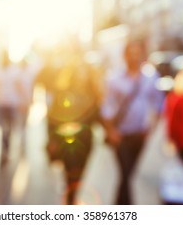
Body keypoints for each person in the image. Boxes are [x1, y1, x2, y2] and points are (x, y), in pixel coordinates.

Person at [101, 38, 163, 205]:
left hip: (140, 134)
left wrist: (152, 127)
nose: (134, 57)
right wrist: (110, 131)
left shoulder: (150, 77)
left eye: (137, 53)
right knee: (126, 174)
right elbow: (106, 106)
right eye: (131, 53)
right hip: (120, 134)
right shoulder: (114, 78)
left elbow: (158, 103)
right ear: (125, 56)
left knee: (128, 175)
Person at [38, 42, 102, 204]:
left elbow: (97, 108)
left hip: (85, 137)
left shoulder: (90, 89)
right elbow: (53, 114)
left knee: (80, 170)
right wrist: (51, 138)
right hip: (67, 137)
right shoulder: (63, 88)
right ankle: (70, 200)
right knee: (71, 170)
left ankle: (72, 197)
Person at [0, 51, 22, 166]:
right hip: (5, 103)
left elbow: (18, 86)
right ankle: (5, 150)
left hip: (8, 104)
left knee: (7, 128)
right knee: (6, 128)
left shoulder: (9, 71)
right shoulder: (11, 71)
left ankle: (5, 149)